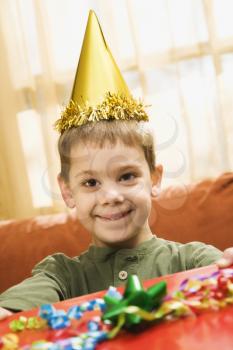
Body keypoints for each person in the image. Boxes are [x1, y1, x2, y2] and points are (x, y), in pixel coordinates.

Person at [0, 10, 232, 320]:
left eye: (126, 176)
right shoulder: (61, 276)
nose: (111, 196)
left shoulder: (193, 259)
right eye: (90, 183)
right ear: (67, 191)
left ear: (154, 178)